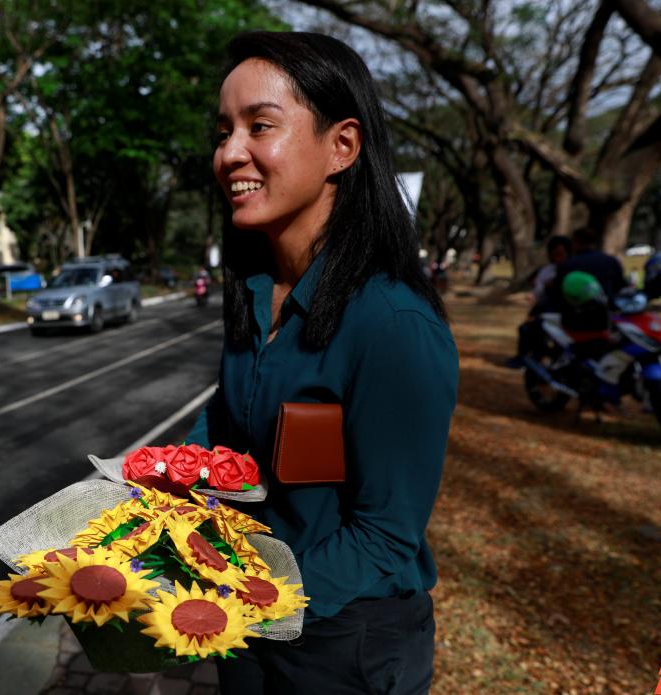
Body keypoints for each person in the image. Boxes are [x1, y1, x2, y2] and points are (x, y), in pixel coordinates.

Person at [186, 32, 458, 694]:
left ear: (342, 146)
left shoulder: (393, 325)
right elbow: (227, 423)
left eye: (260, 126)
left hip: (347, 641)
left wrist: (248, 599)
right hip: (252, 621)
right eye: (224, 131)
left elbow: (384, 536)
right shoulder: (254, 290)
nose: (229, 154)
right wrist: (153, 503)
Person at [504, 235, 572, 368]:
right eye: (555, 254)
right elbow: (538, 291)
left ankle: (549, 358)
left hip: (565, 311)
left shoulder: (573, 268)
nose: (558, 257)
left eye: (561, 253)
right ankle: (527, 357)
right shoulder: (547, 270)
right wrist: (533, 295)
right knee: (527, 329)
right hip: (545, 309)